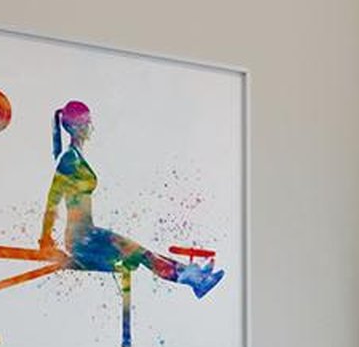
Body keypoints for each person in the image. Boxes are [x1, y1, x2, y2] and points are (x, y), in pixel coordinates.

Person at [38, 100, 223, 297]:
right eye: (87, 123)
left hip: (90, 234)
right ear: (77, 127)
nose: (91, 127)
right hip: (81, 241)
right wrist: (46, 240)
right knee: (141, 254)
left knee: (144, 253)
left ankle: (194, 276)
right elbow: (53, 199)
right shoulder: (69, 159)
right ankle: (193, 278)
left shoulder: (76, 156)